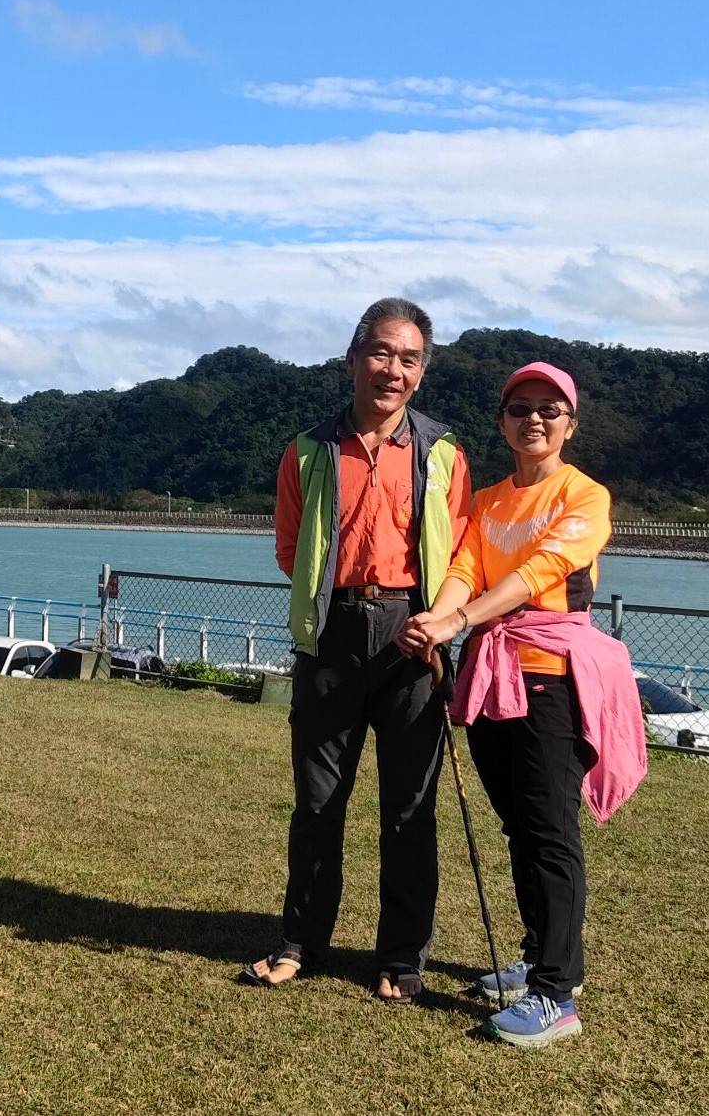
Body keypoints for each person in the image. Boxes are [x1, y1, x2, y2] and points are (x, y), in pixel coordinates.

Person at [398, 361, 646, 1046]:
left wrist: (459, 619)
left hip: (553, 679)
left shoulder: (584, 495)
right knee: (520, 826)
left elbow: (542, 571)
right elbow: (464, 568)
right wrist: (439, 618)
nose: (533, 419)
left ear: (570, 424)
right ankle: (540, 957)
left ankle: (556, 994)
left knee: (549, 831)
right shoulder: (487, 500)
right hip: (494, 674)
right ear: (502, 422)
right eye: (519, 408)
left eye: (548, 409)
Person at [241, 297, 471, 1003]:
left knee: (410, 809)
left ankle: (401, 956)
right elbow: (290, 548)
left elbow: (462, 554)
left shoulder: (443, 453)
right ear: (351, 360)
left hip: (414, 636)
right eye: (380, 352)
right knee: (317, 804)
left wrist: (438, 623)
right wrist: (334, 602)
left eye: (409, 359)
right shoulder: (308, 451)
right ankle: (300, 942)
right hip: (331, 636)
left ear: (421, 372)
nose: (393, 369)